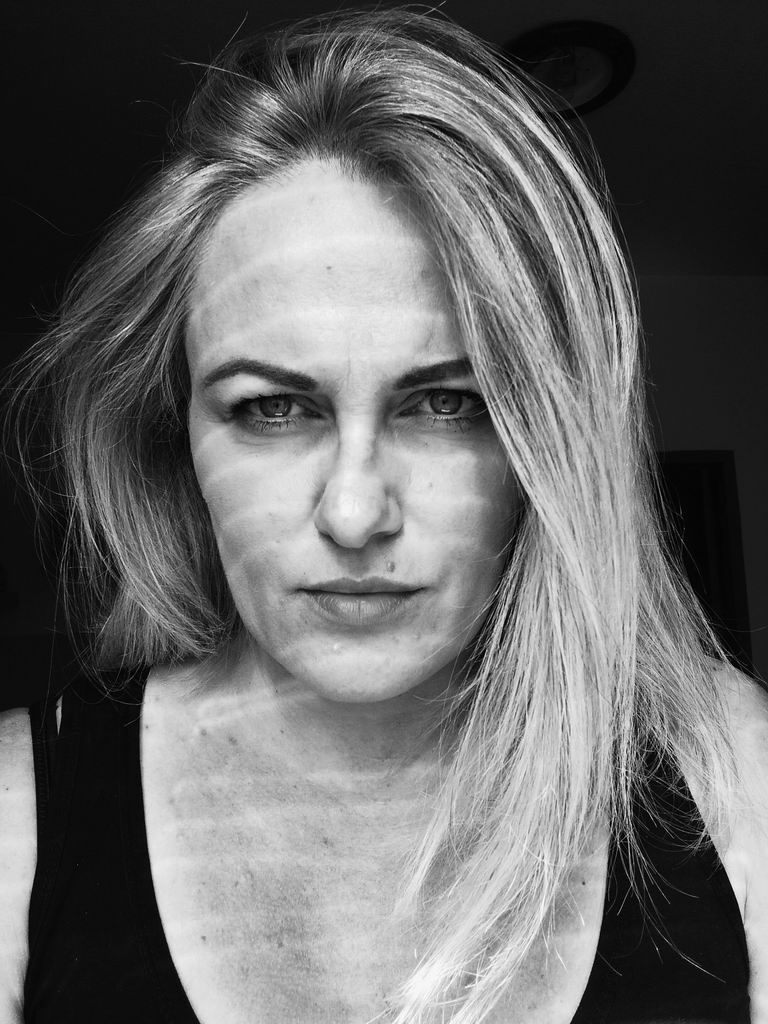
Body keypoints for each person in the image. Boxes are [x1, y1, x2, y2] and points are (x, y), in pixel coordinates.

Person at [1, 7, 766, 1023]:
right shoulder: (18, 818)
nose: (356, 512)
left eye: (447, 403)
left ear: (543, 446)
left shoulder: (727, 770)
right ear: (172, 438)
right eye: (271, 408)